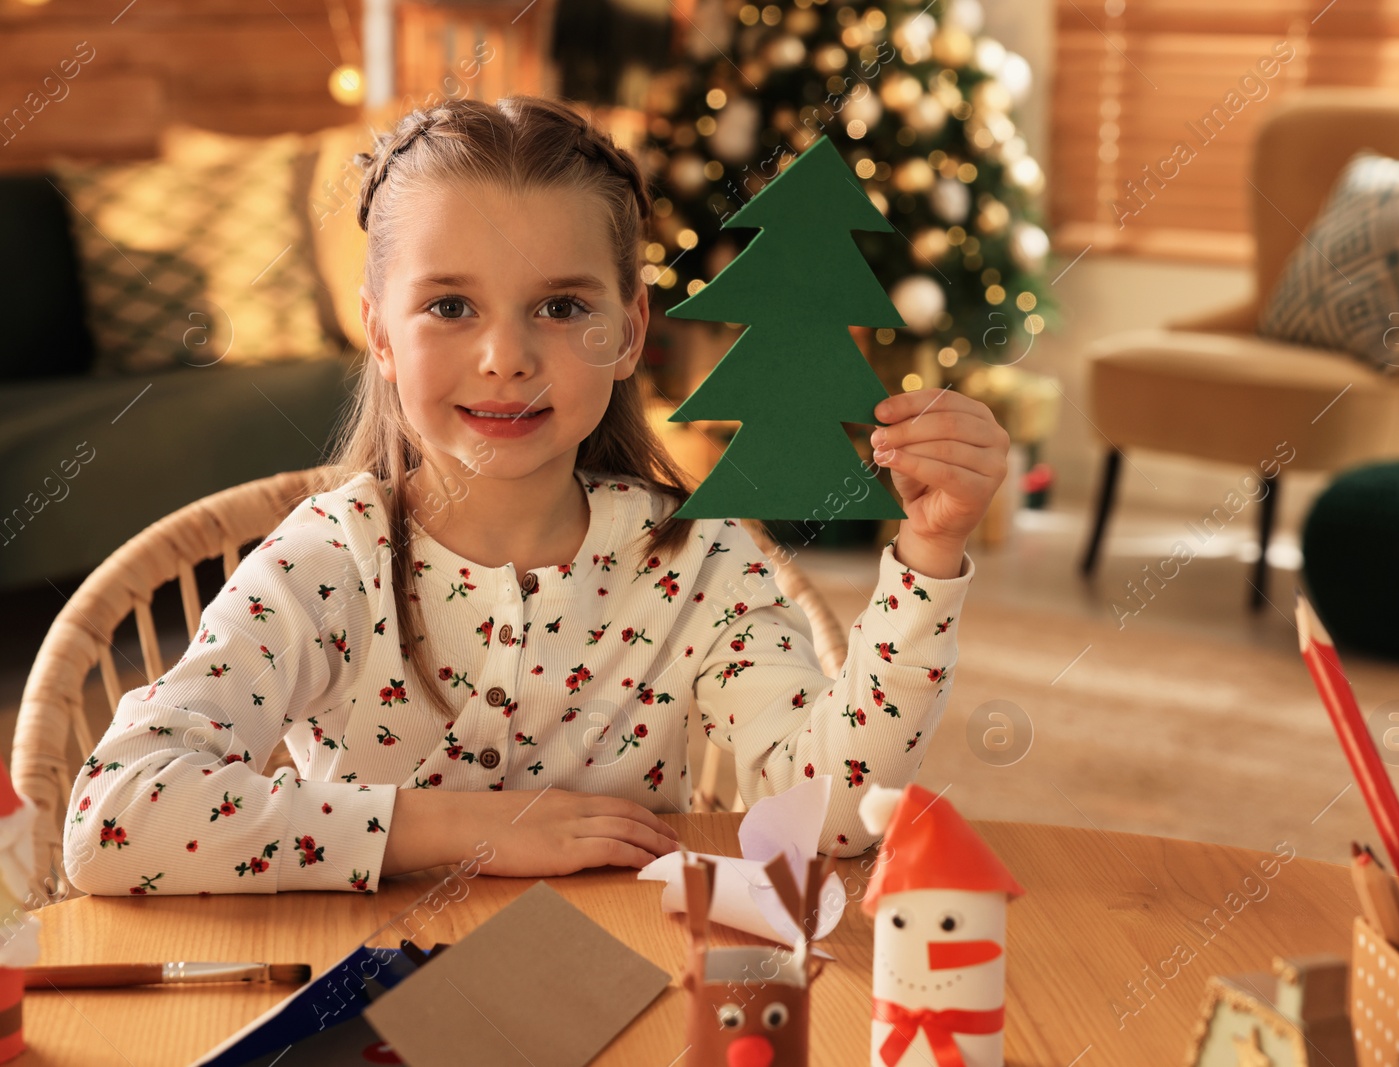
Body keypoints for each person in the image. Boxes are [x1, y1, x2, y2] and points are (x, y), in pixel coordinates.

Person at [62, 95, 1007, 896]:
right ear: (380, 334)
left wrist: (929, 557)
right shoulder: (329, 561)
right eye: (449, 306)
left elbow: (834, 815)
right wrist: (461, 829)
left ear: (630, 330)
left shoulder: (702, 563)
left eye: (561, 307)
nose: (505, 357)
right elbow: (112, 818)